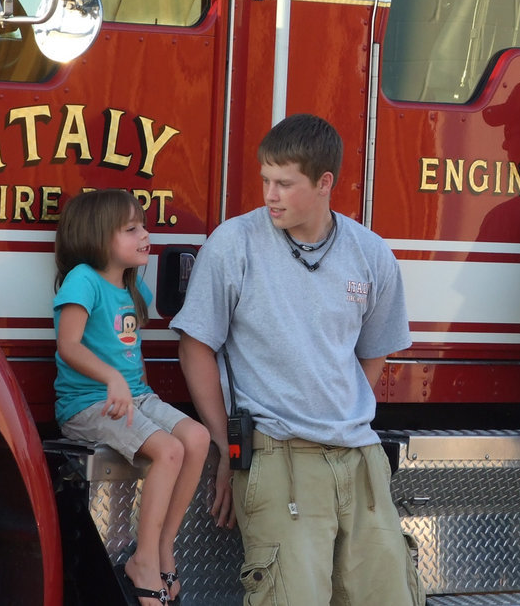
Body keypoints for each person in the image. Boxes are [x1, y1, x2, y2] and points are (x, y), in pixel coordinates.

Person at [173, 113, 423, 606]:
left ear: (324, 182)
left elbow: (372, 356)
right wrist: (227, 445)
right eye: (266, 180)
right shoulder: (234, 244)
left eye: (285, 183)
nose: (270, 194)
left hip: (361, 460)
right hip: (277, 456)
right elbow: (195, 345)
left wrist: (340, 410)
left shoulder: (370, 254)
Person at [53, 189, 211, 606]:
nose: (145, 235)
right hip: (89, 403)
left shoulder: (129, 283)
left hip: (134, 396)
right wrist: (112, 380)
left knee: (197, 439)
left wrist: (133, 387)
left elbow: (126, 351)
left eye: (143, 226)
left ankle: (163, 547)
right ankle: (143, 558)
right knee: (170, 451)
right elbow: (68, 345)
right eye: (131, 229)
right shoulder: (82, 280)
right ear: (98, 237)